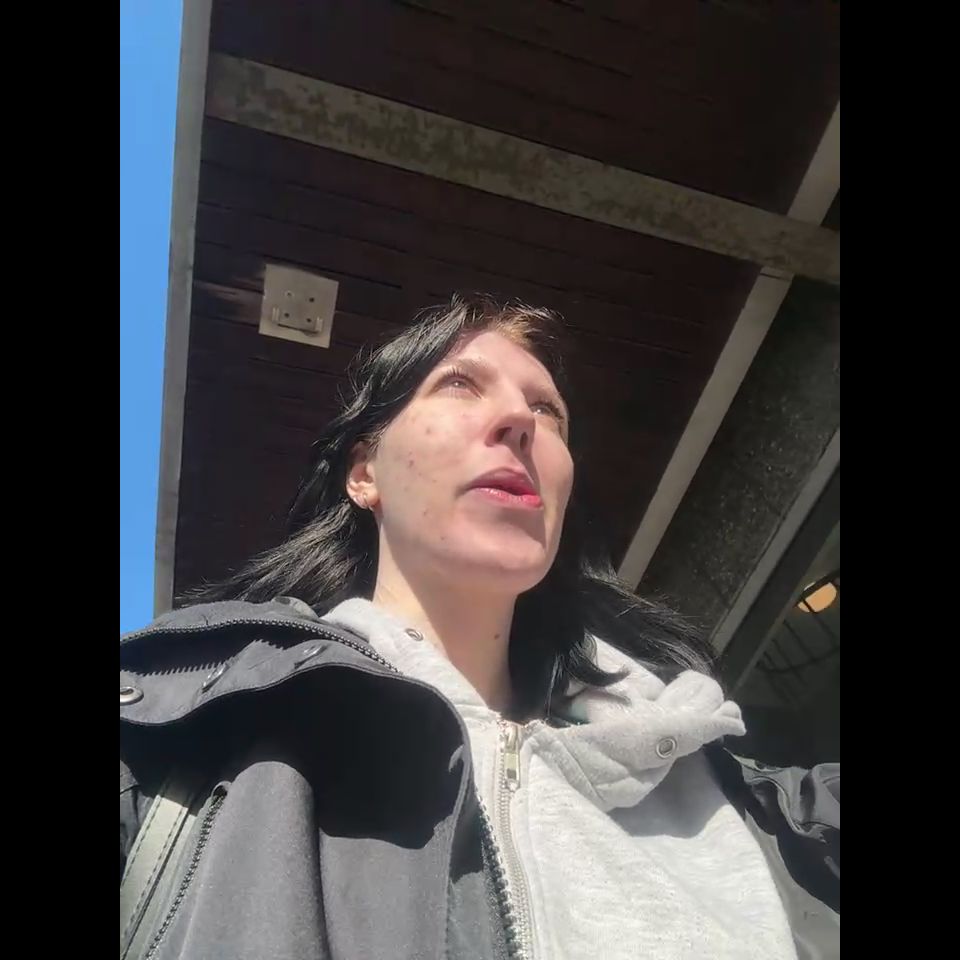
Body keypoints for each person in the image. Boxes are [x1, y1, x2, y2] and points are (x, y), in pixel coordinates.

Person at [120, 294, 839, 960]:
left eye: (547, 410)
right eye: (459, 385)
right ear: (364, 472)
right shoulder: (174, 738)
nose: (520, 420)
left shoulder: (765, 811)